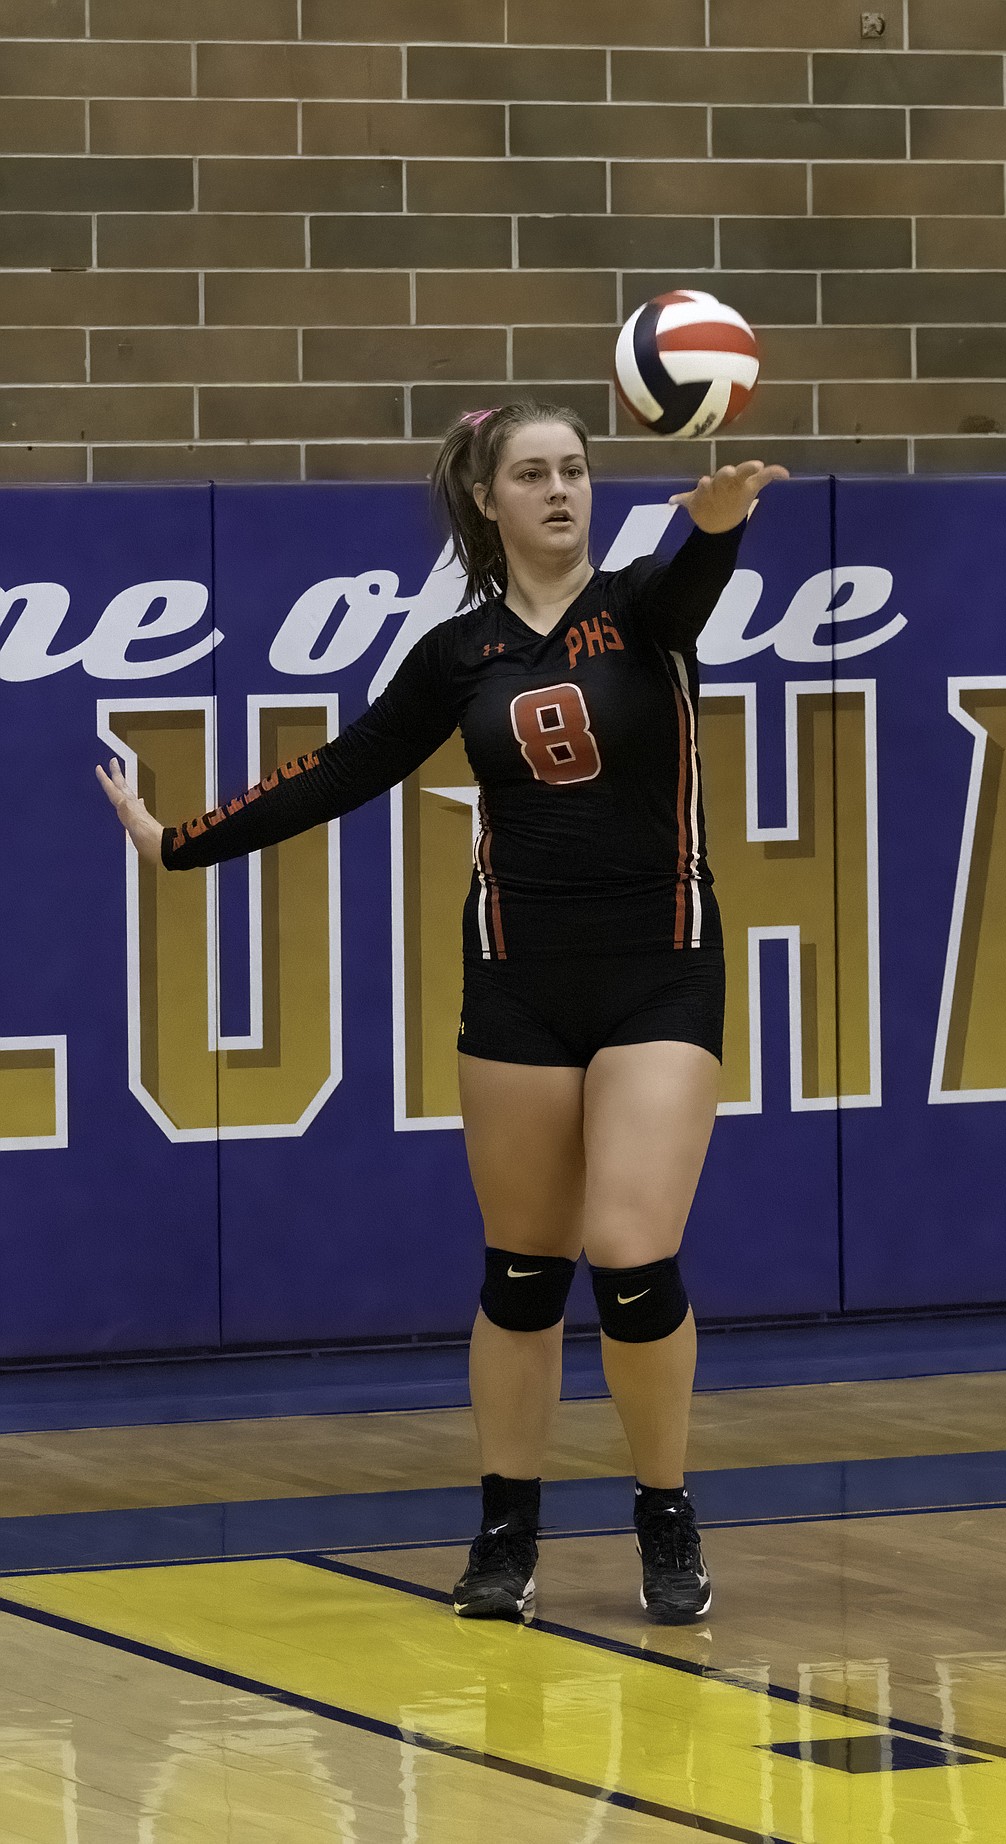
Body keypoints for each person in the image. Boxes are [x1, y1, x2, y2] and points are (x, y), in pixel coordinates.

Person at [97, 399, 787, 1625]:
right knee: (524, 1272)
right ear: (489, 497)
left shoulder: (641, 607)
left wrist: (718, 523)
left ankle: (664, 1509)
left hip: (661, 965)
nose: (562, 489)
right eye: (534, 473)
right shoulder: (457, 655)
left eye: (576, 468)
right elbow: (344, 767)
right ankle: (504, 1532)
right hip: (517, 977)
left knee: (630, 1255)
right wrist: (177, 845)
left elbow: (691, 580)